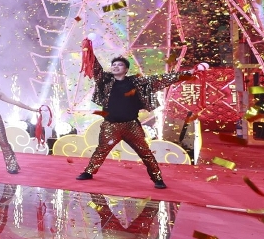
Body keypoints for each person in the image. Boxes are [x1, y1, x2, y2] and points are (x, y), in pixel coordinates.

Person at [77, 50, 192, 189]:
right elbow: (96, 68)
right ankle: (88, 172)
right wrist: (88, 49)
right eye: (114, 65)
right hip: (110, 126)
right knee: (101, 150)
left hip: (131, 126)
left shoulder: (136, 82)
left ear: (126, 70)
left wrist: (188, 73)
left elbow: (161, 79)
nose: (115, 67)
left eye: (119, 65)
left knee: (145, 153)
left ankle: (158, 179)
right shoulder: (105, 80)